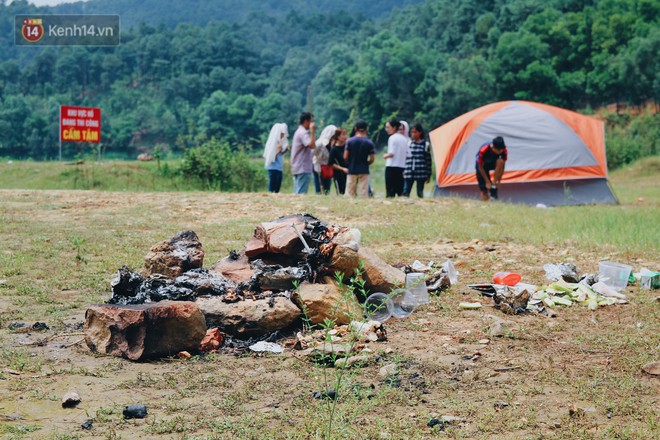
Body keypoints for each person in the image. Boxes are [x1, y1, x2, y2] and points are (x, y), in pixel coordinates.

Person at [344, 120, 375, 197]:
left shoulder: (350, 141)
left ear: (355, 128)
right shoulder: (369, 142)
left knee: (350, 194)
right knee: (363, 193)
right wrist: (366, 163)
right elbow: (372, 159)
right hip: (364, 170)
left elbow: (345, 157)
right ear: (366, 129)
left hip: (352, 169)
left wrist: (351, 162)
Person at [403, 122, 433, 198]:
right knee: (406, 190)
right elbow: (405, 157)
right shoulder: (409, 143)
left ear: (420, 132)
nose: (413, 134)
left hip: (421, 172)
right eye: (412, 132)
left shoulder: (425, 144)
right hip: (409, 171)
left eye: (415, 132)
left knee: (419, 191)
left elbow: (428, 160)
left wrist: (428, 174)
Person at [290, 112, 316, 194]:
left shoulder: (299, 132)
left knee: (297, 191)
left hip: (298, 167)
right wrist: (312, 132)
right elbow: (312, 145)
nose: (313, 124)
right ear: (306, 121)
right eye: (311, 121)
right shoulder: (303, 133)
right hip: (302, 167)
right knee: (301, 194)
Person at [382, 118, 409, 197]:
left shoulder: (392, 138)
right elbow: (409, 154)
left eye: (388, 127)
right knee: (399, 189)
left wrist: (385, 156)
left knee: (390, 190)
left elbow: (391, 153)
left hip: (391, 166)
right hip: (401, 167)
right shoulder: (404, 139)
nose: (386, 129)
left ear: (394, 128)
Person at [476, 136, 507, 201]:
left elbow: (503, 165)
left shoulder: (503, 150)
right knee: (484, 189)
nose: (501, 151)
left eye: (501, 149)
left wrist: (499, 180)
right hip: (482, 166)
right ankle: (485, 202)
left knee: (500, 161)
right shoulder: (483, 150)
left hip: (493, 163)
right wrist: (487, 181)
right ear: (493, 148)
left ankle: (494, 184)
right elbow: (480, 167)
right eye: (499, 150)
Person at [263, 123, 288, 193]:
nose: (283, 135)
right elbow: (270, 157)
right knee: (272, 188)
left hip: (279, 168)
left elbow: (280, 155)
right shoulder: (272, 143)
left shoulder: (280, 142)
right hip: (272, 168)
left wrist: (284, 150)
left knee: (277, 188)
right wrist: (278, 150)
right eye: (281, 134)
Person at [313, 124, 336, 195]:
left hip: (328, 168)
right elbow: (312, 153)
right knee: (319, 189)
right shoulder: (319, 143)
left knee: (327, 189)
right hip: (318, 167)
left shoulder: (334, 144)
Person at [328, 128, 349, 194]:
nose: (345, 137)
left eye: (345, 135)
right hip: (339, 174)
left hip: (350, 172)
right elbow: (331, 163)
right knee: (341, 191)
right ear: (338, 137)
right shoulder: (334, 149)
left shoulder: (348, 147)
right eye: (343, 135)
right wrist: (342, 169)